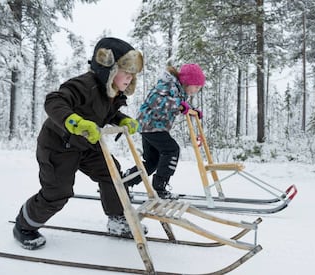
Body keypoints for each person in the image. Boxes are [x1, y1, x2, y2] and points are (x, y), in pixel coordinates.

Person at [13, 37, 146, 250]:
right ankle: (24, 226)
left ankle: (117, 219)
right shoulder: (85, 84)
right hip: (59, 145)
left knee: (112, 174)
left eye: (133, 74)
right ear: (108, 68)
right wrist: (74, 122)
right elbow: (54, 101)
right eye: (126, 71)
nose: (130, 77)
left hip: (86, 145)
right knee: (57, 193)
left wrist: (122, 119)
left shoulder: (111, 91)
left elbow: (105, 112)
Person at [124, 63, 205, 199]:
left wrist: (191, 110)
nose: (197, 90)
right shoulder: (167, 84)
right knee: (172, 150)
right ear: (187, 81)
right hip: (151, 125)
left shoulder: (179, 90)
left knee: (152, 161)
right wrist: (179, 106)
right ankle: (159, 187)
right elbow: (155, 101)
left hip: (151, 126)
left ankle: (125, 181)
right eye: (196, 86)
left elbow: (179, 103)